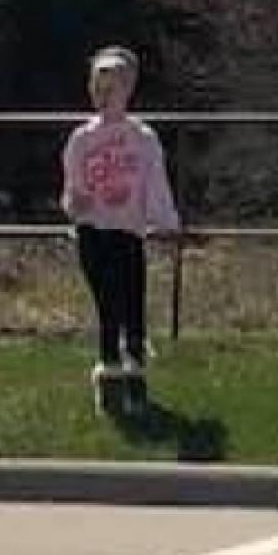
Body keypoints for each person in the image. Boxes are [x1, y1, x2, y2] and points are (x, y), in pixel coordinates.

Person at [60, 47, 181, 390]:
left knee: (131, 295)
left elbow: (156, 183)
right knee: (106, 299)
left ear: (128, 90)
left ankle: (135, 353)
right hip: (92, 229)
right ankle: (109, 362)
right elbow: (71, 186)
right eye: (96, 89)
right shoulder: (81, 139)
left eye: (110, 89)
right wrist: (74, 203)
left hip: (127, 230)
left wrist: (167, 222)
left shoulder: (142, 138)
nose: (102, 97)